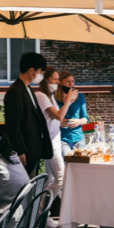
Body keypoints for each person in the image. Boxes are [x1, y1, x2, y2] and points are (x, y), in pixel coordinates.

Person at [4, 51, 53, 178]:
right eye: (40, 72)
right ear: (31, 71)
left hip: (34, 149)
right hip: (25, 151)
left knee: (32, 185)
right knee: (25, 188)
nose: (41, 75)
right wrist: (19, 150)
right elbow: (12, 125)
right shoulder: (14, 92)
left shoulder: (28, 89)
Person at [35, 66, 79, 204]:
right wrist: (68, 101)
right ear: (45, 80)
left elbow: (51, 119)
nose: (57, 82)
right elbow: (59, 116)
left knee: (51, 179)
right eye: (54, 79)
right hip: (49, 143)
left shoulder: (49, 96)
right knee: (60, 178)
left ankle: (41, 215)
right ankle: (41, 212)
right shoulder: (41, 96)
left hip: (55, 140)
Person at [57, 71, 89, 151]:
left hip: (78, 138)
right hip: (62, 138)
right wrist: (57, 123)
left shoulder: (80, 96)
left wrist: (78, 122)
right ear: (60, 82)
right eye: (68, 81)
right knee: (65, 162)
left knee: (79, 163)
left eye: (72, 81)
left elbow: (85, 118)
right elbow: (48, 118)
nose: (71, 84)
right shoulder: (54, 98)